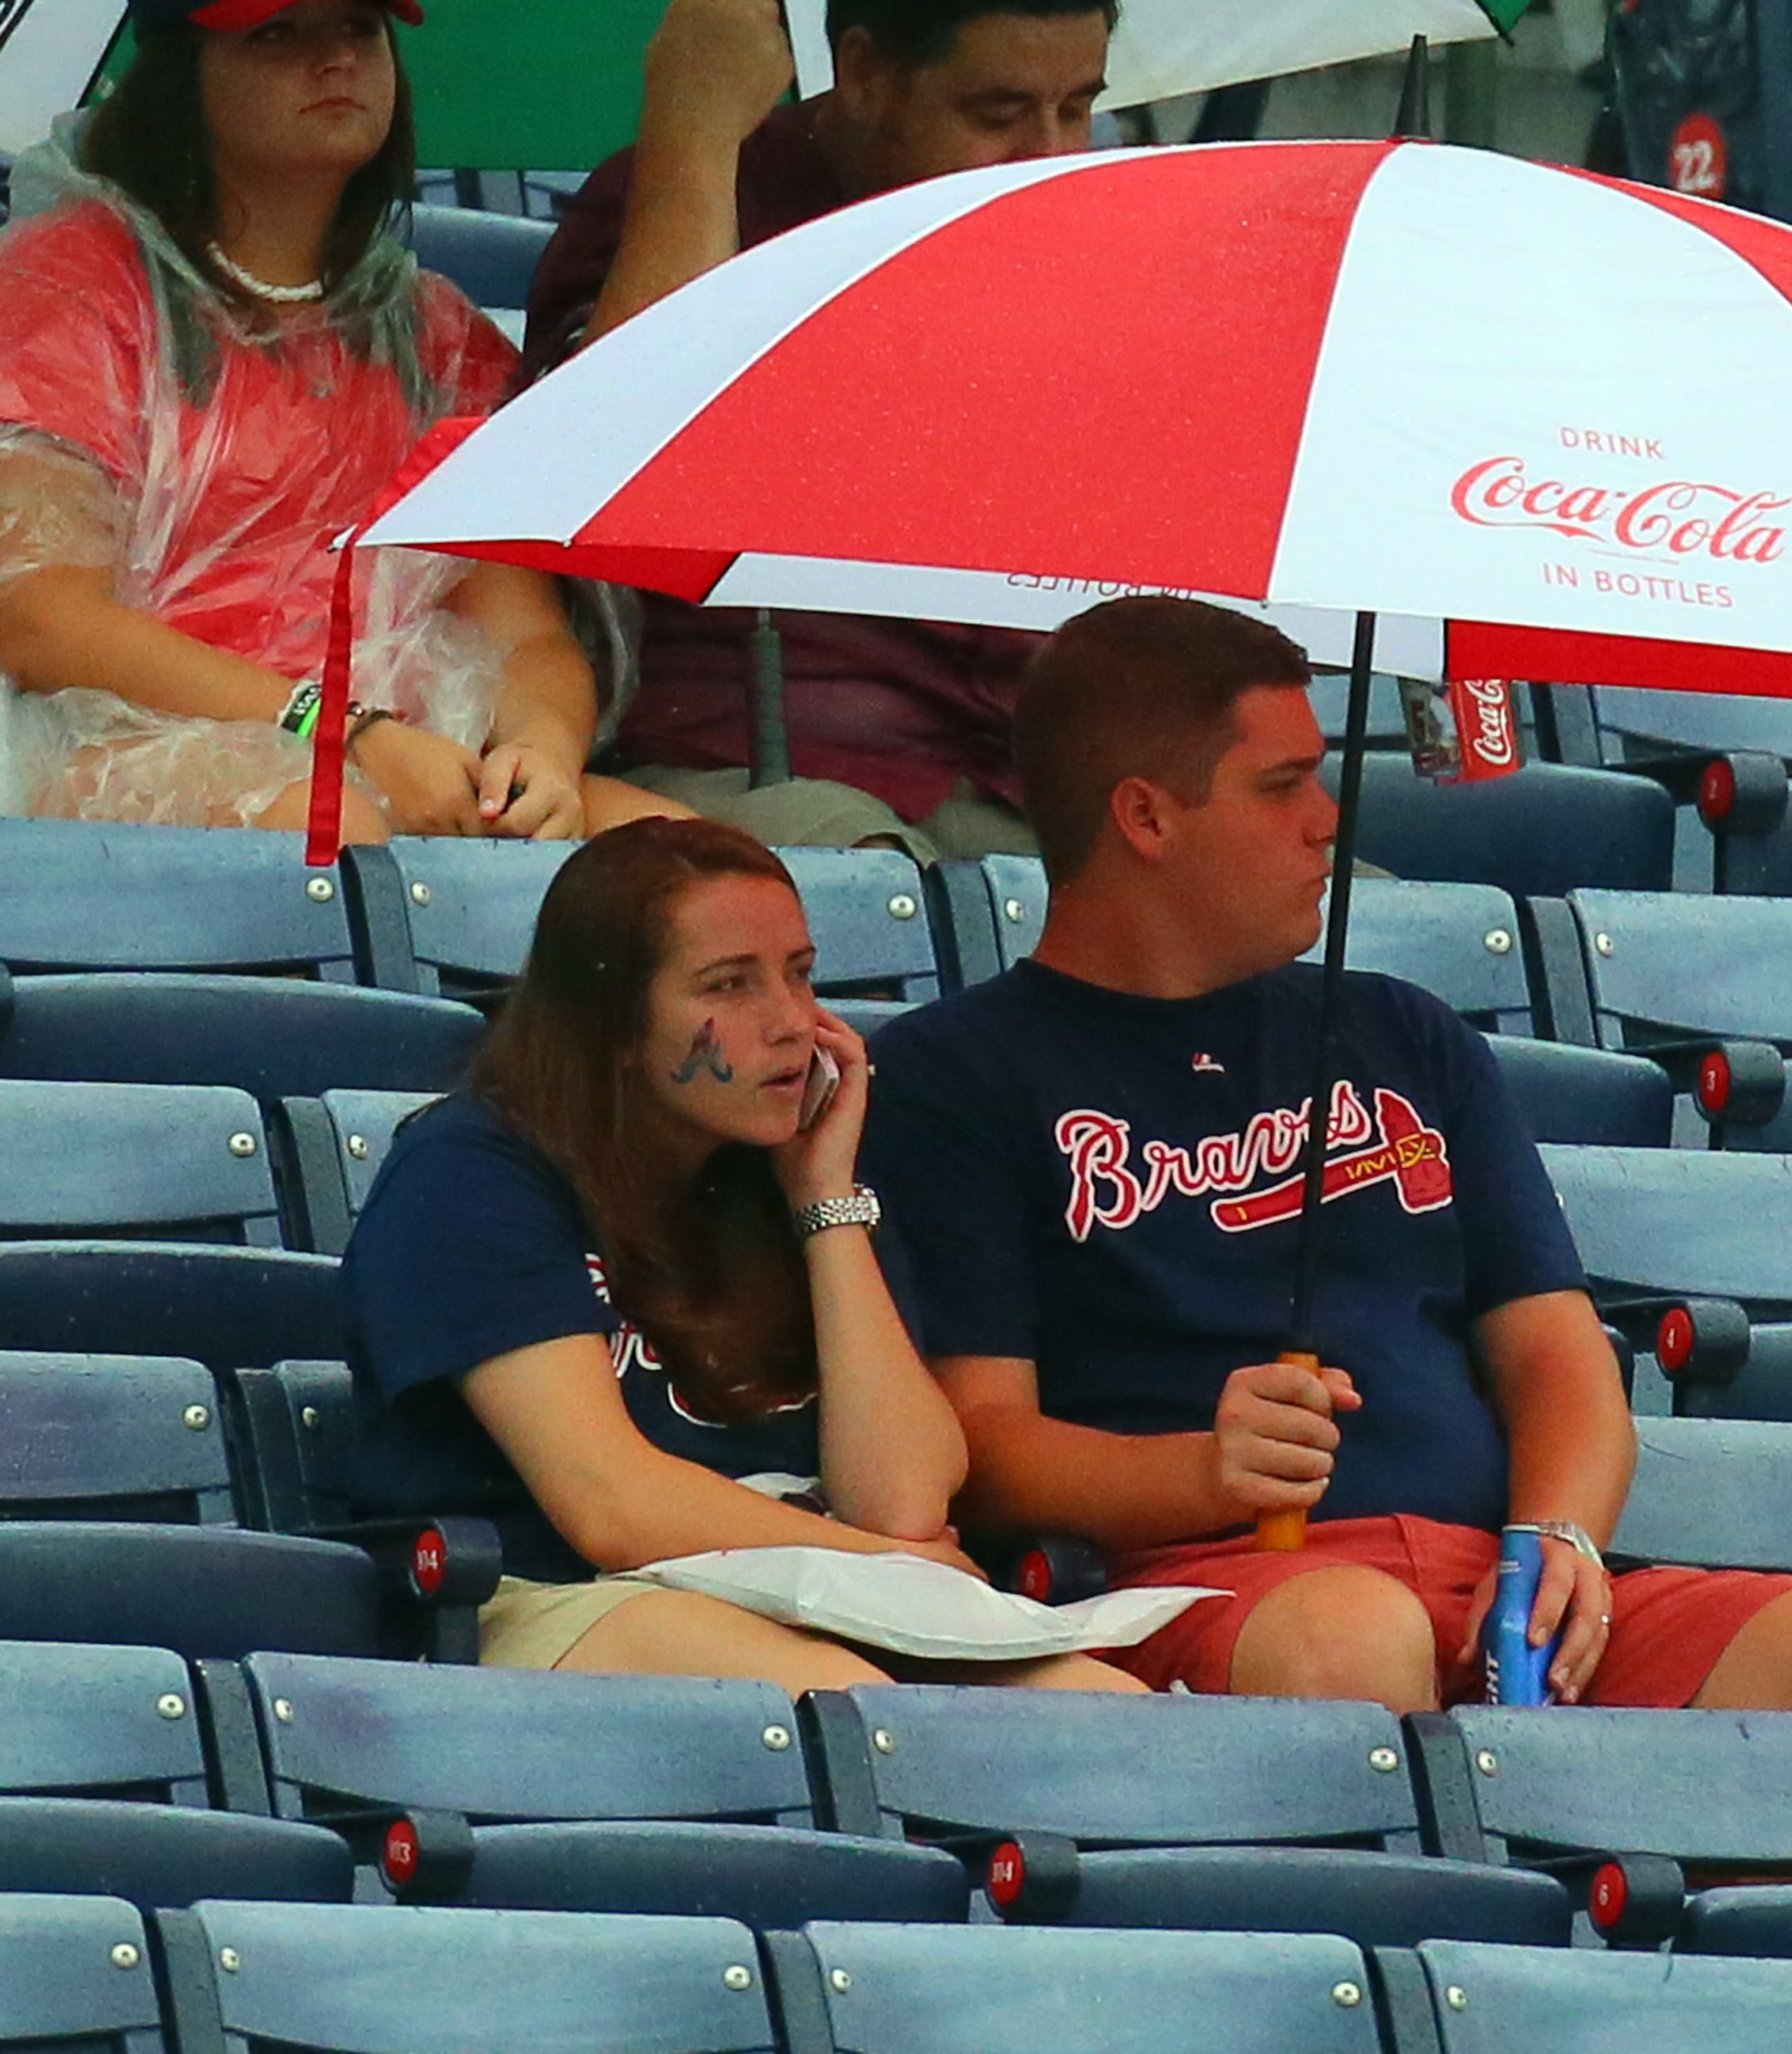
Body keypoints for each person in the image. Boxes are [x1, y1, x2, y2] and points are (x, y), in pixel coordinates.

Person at [863, 598, 1792, 1717]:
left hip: (1495, 1579)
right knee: (1354, 1639)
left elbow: (1556, 1353)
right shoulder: (956, 1070)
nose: (1327, 820)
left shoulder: (1406, 1031)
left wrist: (1558, 1538)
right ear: (1147, 817)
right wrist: (1198, 1472)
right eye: (1283, 785)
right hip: (1199, 1588)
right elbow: (982, 1448)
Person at [344, 816, 1138, 1692]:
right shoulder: (469, 1173)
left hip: (808, 1592)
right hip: (550, 1598)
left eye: (800, 975)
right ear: (611, 1024)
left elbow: (905, 1499)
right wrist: (879, 1562)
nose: (794, 1024)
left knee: (1108, 1711)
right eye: (729, 986)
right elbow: (609, 1504)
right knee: (853, 1708)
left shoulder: (798, 1168)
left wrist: (823, 1200)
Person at [0, 0, 686, 842]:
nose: (336, 61)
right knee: (332, 827)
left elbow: (523, 632)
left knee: (682, 858)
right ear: (182, 76)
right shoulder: (65, 282)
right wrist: (341, 731)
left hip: (391, 757)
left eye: (360, 28)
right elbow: (41, 624)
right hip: (96, 755)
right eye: (279, 34)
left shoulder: (435, 333)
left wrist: (540, 751)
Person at [522, 0, 1116, 857]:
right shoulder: (689, 193)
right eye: (999, 114)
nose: (1049, 157)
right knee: (864, 890)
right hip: (751, 763)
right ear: (866, 74)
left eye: (1077, 109)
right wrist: (694, 136)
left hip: (1016, 771)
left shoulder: (1101, 237)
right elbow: (594, 473)